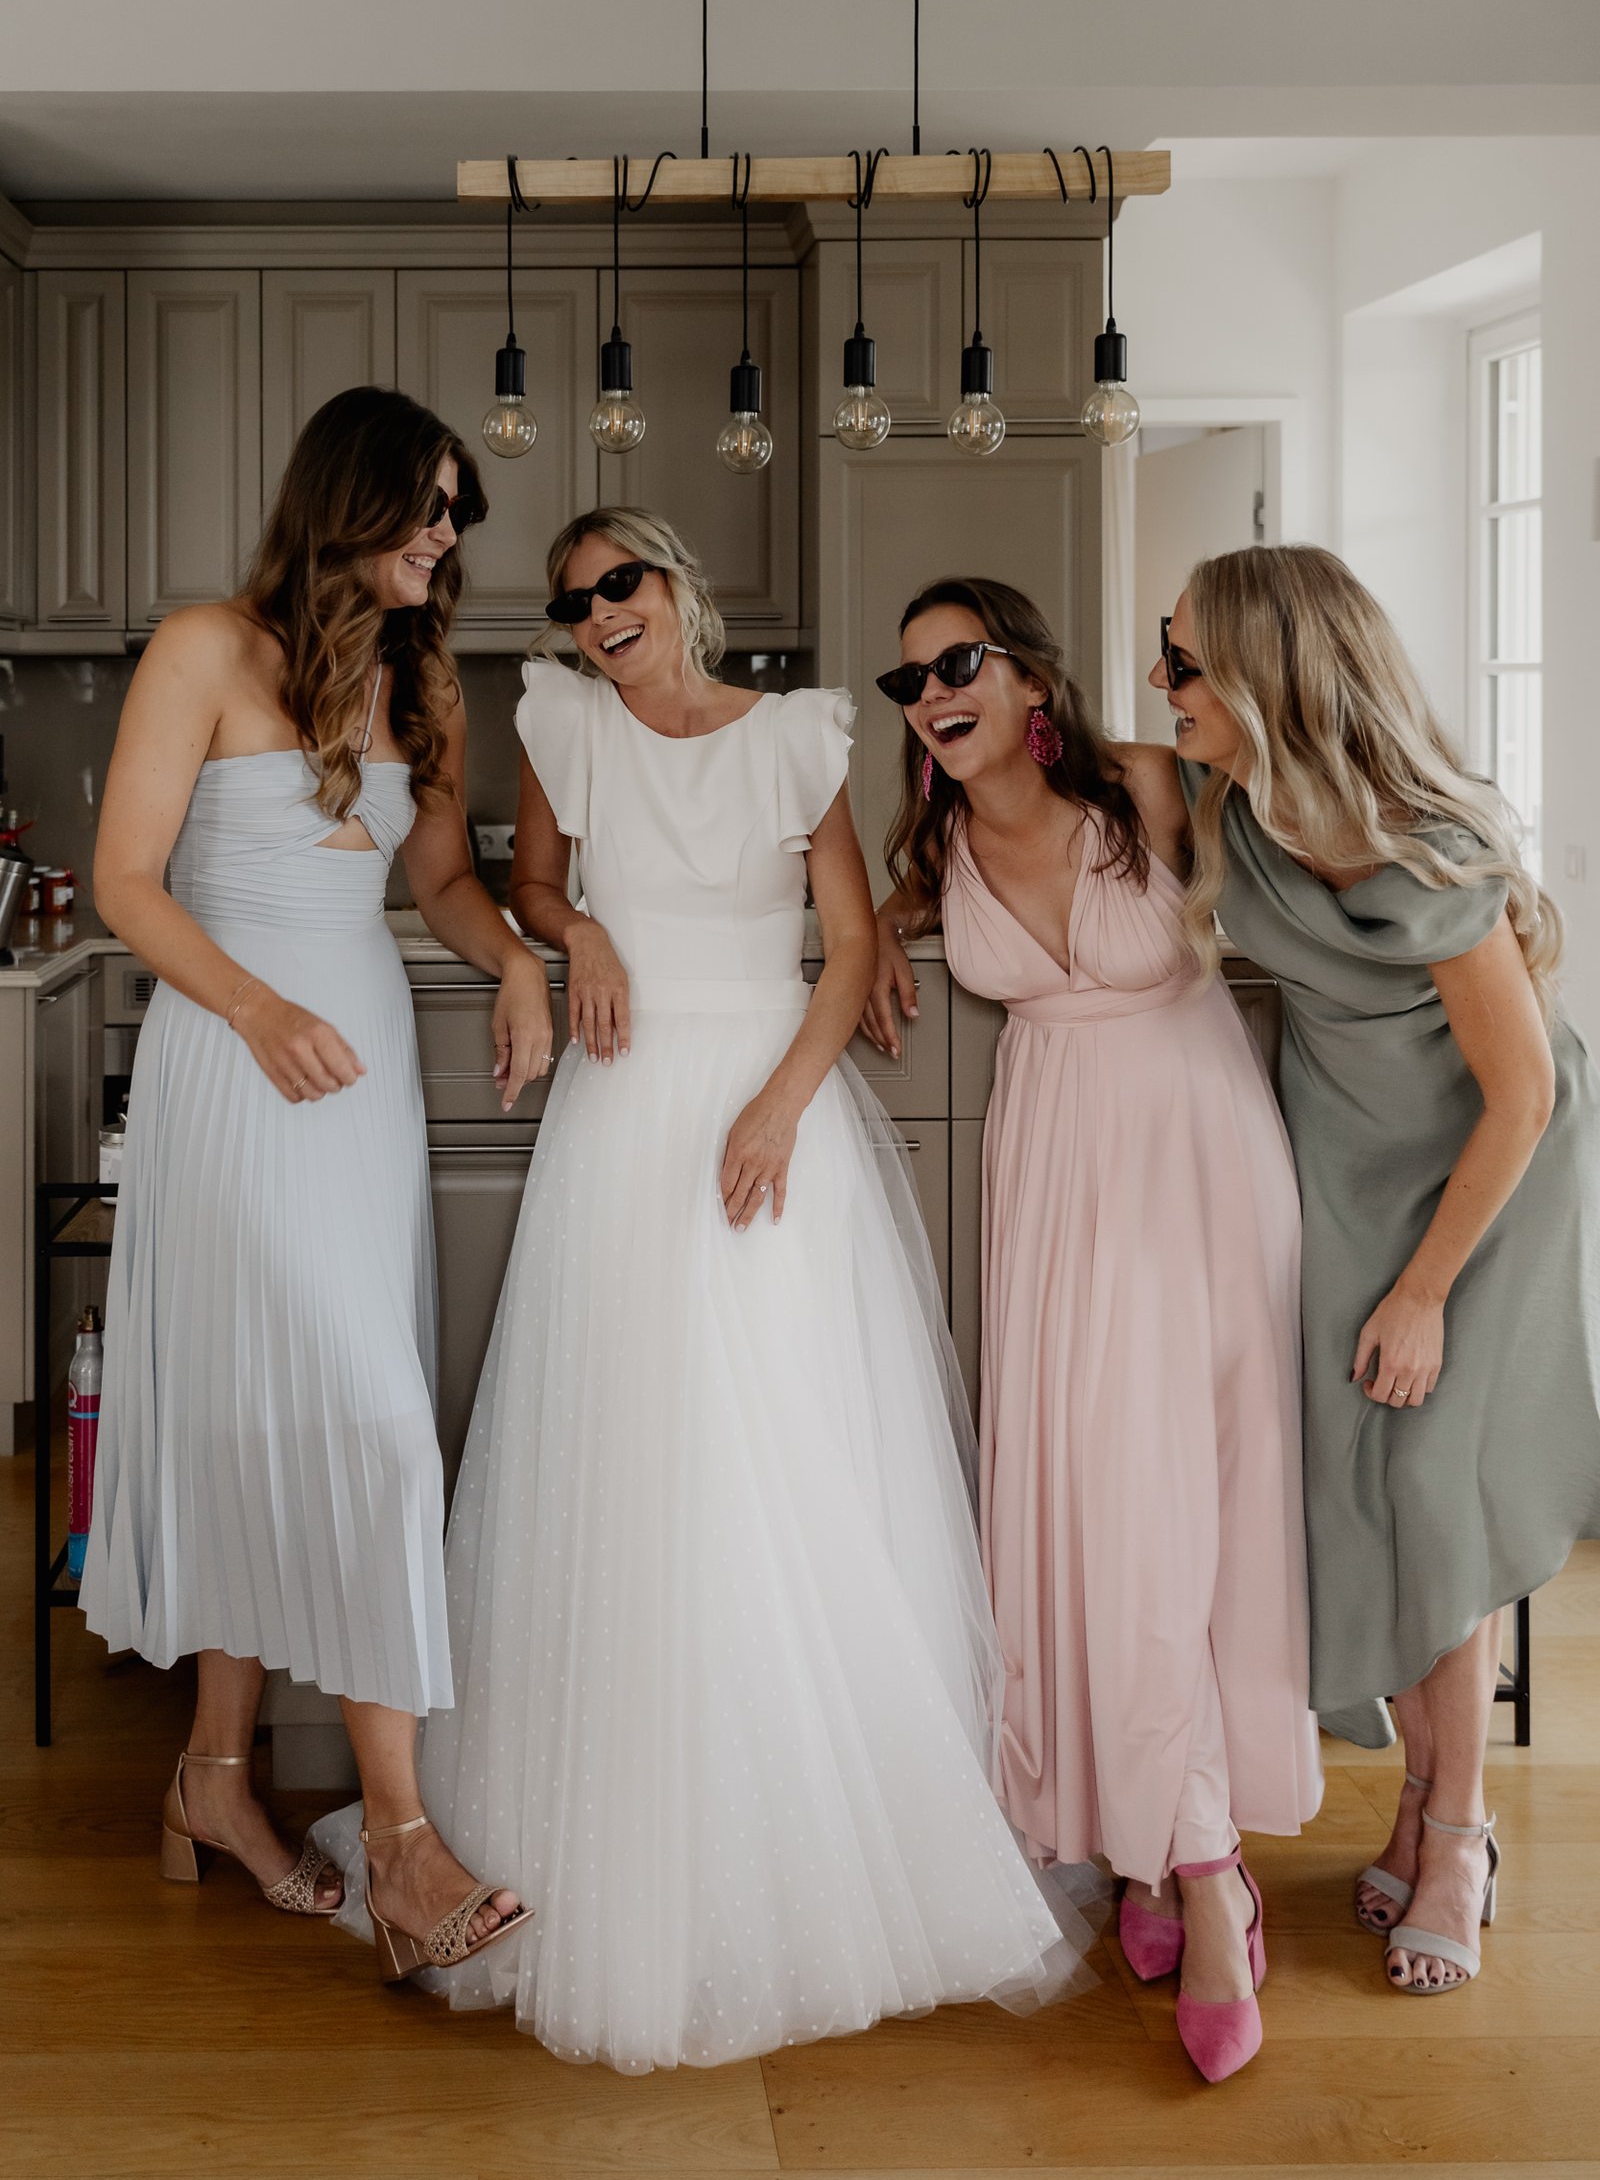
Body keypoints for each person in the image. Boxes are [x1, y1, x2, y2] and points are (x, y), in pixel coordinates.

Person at [315, 507, 1092, 2071]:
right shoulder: (565, 727)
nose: (600, 612)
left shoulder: (799, 737)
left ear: (677, 588)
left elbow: (849, 943)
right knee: (629, 1458)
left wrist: (779, 1107)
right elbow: (528, 885)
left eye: (623, 583)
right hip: (620, 1114)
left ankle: (806, 1835)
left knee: (784, 1465)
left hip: (765, 1113)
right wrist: (581, 930)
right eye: (574, 599)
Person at [81, 387, 551, 1978]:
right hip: (238, 1070)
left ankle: (212, 1778)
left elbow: (441, 876)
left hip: (361, 1096)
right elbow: (124, 882)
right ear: (347, 498)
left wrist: (518, 962)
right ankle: (406, 1852)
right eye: (429, 503)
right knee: (368, 1430)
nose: (446, 534)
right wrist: (258, 1010)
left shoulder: (425, 681)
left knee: (272, 1418)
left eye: (457, 514)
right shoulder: (204, 648)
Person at [862, 576, 1319, 2083]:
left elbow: (1302, 831)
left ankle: (1202, 1870)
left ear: (1027, 675)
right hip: (1056, 1182)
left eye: (958, 662)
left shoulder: (1143, 784)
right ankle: (1165, 1843)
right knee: (1096, 1518)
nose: (933, 693)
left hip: (1196, 1165)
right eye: (910, 680)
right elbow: (874, 917)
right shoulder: (934, 846)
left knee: (1183, 1518)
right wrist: (872, 935)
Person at [1154, 543, 1600, 1997]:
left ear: (1268, 675)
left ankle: (1459, 1833)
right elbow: (1044, 782)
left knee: (1429, 1495)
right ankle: (1416, 1799)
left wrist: (1423, 1293)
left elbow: (1522, 1094)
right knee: (1354, 1493)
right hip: (1343, 1167)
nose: (1160, 682)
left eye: (1185, 661)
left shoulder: (1428, 846)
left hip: (1484, 1182)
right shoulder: (1230, 796)